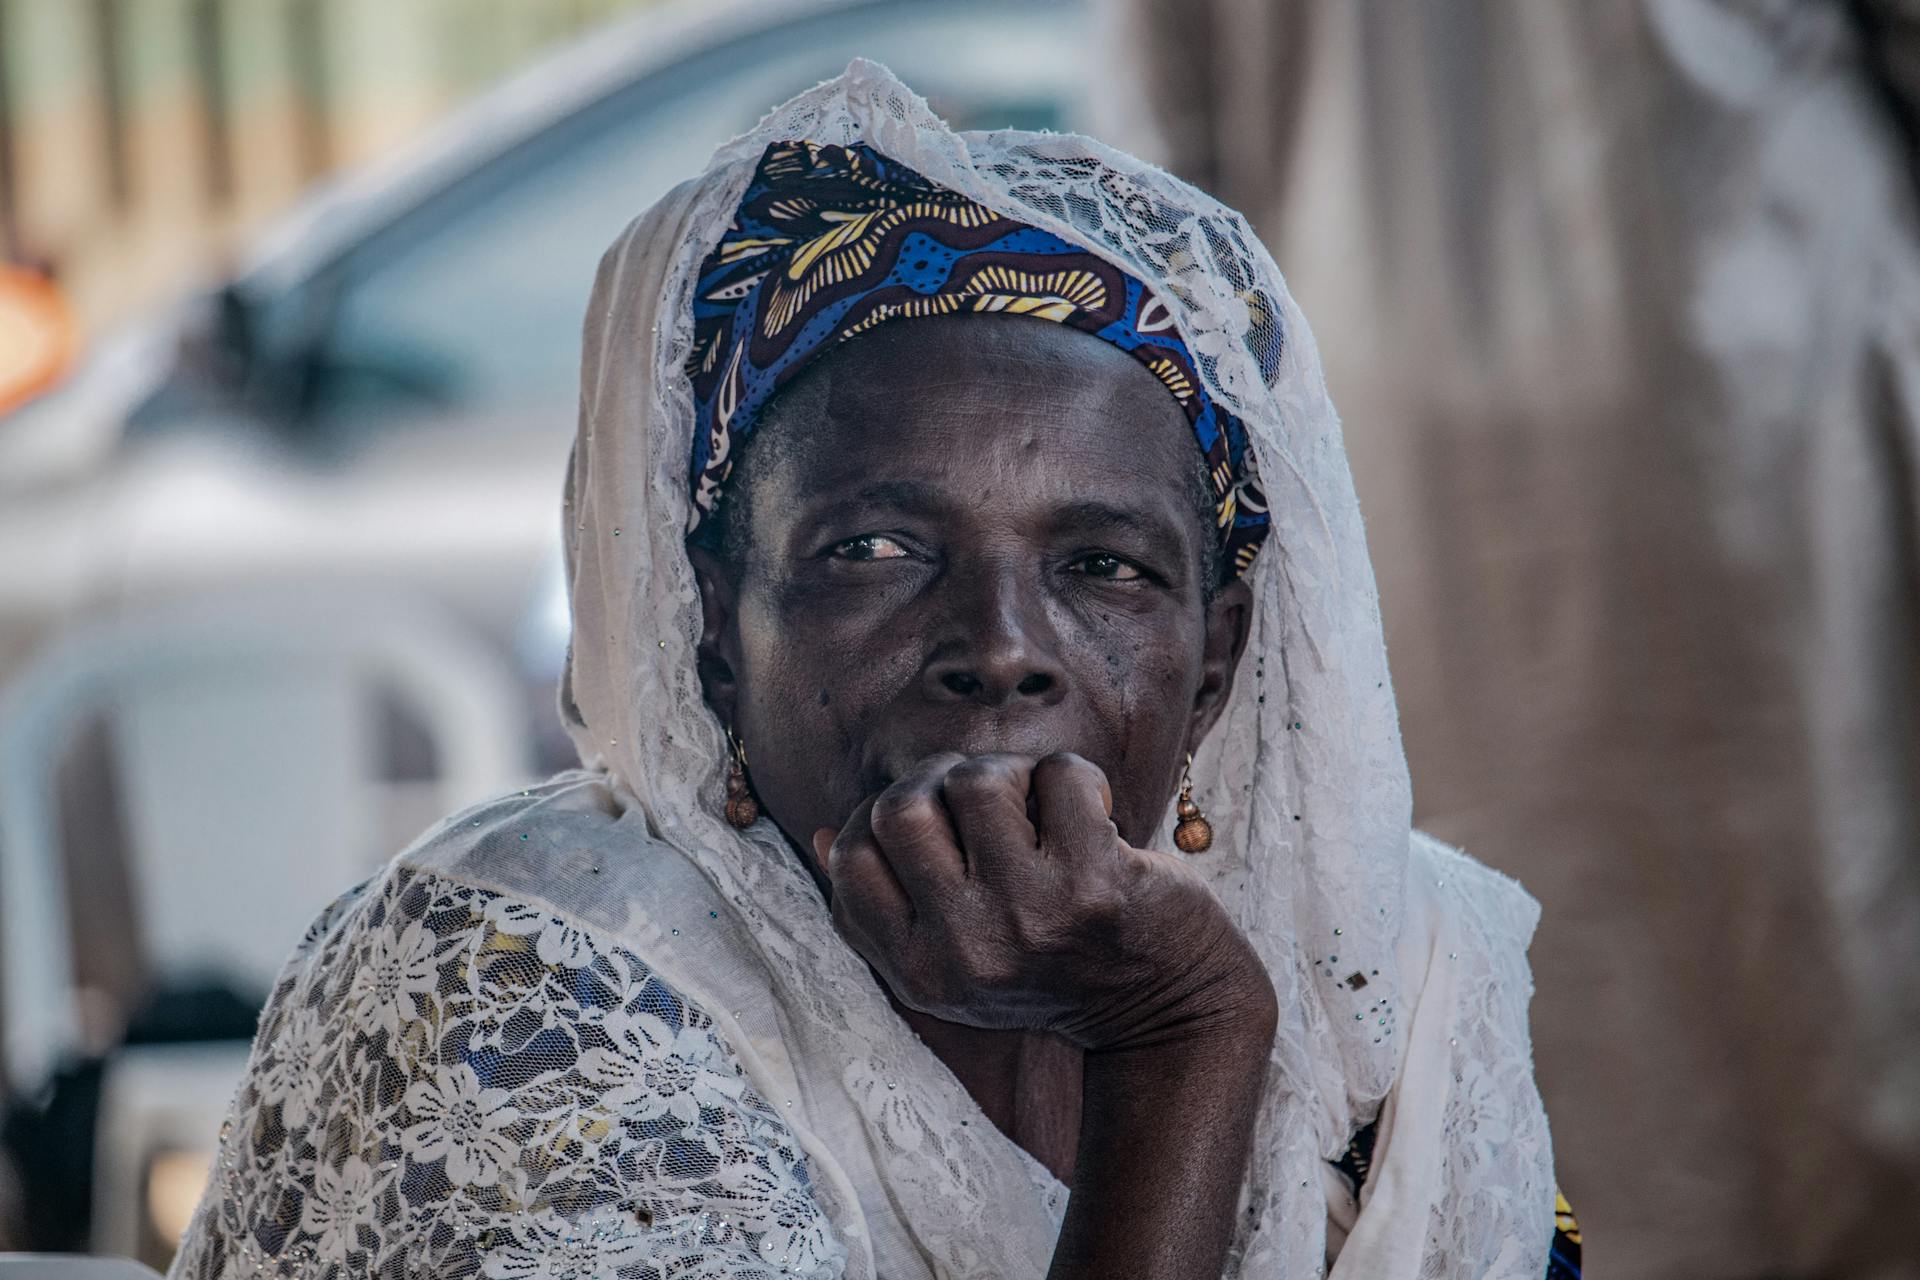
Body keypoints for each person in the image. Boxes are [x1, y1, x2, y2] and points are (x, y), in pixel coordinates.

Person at [168, 62, 1572, 1279]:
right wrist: (1183, 1041)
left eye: (1103, 569)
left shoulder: (1387, 975)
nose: (1003, 649)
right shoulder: (521, 979)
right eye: (879, 550)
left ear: (1217, 664)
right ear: (710, 629)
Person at [1101, 3, 1920, 1274]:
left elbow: (1161, 172)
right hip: (1745, 366)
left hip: (1383, 415)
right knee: (1803, 955)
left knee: (1496, 957)